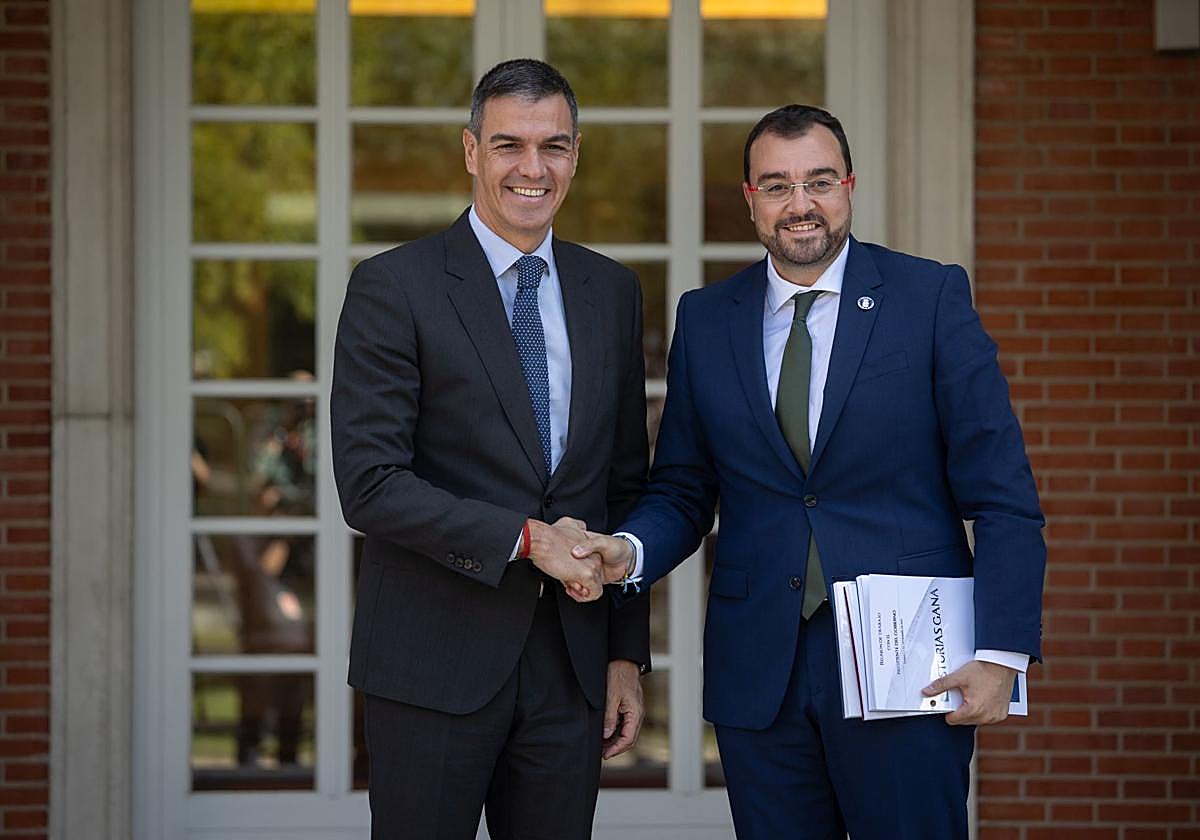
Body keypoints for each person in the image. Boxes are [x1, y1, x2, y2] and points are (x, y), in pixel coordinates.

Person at [573, 105, 1046, 839]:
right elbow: (684, 487)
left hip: (909, 672)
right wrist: (627, 551)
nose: (801, 205)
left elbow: (1005, 496)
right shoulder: (707, 318)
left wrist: (1000, 654)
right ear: (751, 200)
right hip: (761, 673)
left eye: (819, 182)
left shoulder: (928, 298)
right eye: (777, 185)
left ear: (849, 187)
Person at [331, 59, 651, 839]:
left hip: (570, 666)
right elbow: (369, 484)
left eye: (554, 146)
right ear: (471, 150)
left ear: (577, 155)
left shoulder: (610, 291)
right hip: (433, 657)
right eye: (509, 145)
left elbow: (624, 485)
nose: (532, 169)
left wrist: (624, 658)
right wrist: (527, 539)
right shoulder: (393, 286)